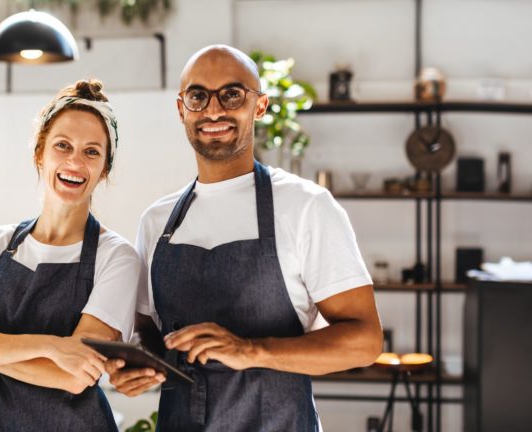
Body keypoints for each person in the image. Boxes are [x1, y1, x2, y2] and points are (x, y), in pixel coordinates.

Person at [106, 45, 383, 431]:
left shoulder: (305, 206)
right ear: (181, 109)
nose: (213, 110)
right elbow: (147, 330)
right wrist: (136, 363)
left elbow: (364, 342)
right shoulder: (157, 221)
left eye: (232, 94)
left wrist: (251, 350)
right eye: (198, 96)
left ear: (260, 106)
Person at [0, 79, 140, 432]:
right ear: (39, 153)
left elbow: (74, 376)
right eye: (63, 145)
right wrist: (53, 347)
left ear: (104, 169)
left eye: (92, 152)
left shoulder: (116, 257)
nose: (75, 161)